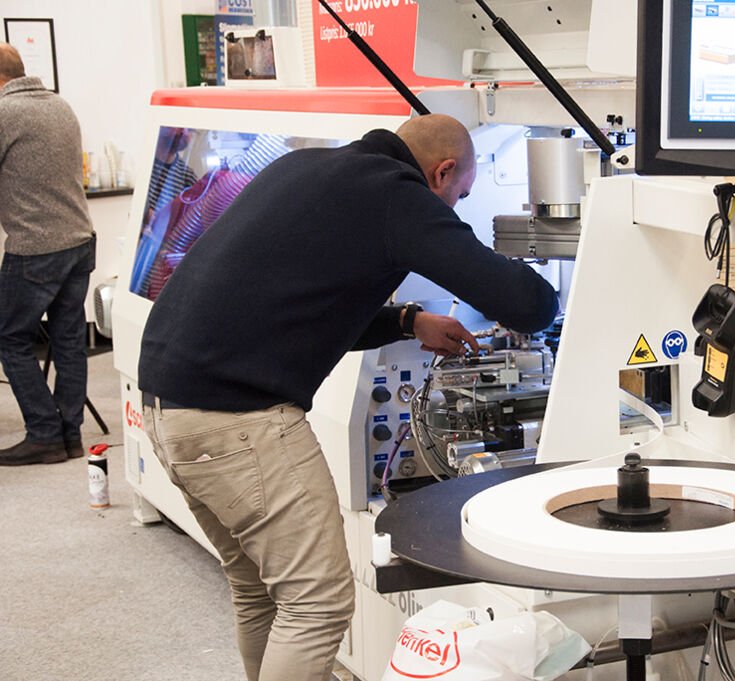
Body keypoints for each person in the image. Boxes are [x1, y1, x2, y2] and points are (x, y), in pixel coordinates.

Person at [138, 114, 559, 681]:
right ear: (442, 171)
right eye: (460, 196)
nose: (454, 208)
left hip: (169, 407)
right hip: (238, 421)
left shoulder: (305, 166)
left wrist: (407, 321)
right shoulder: (397, 196)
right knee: (317, 602)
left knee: (260, 589)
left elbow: (307, 300)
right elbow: (528, 306)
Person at [0, 43, 96, 466]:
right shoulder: (60, 105)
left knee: (10, 338)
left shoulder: (5, 113)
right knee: (69, 340)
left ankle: (44, 433)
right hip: (79, 242)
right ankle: (70, 436)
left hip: (35, 249)